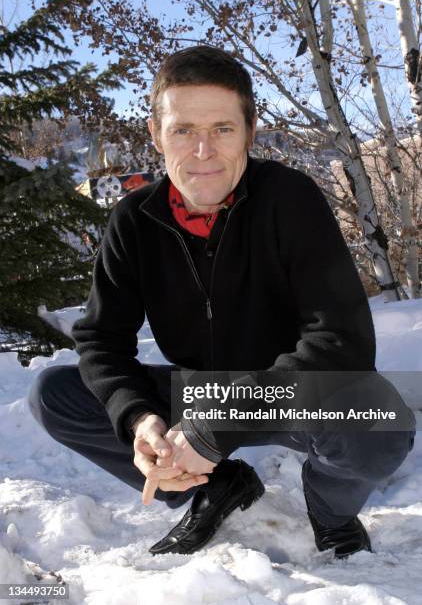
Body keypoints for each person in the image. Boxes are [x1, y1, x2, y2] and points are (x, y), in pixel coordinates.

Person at [28, 45, 415, 559]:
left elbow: (341, 339)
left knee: (379, 419)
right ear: (156, 134)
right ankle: (216, 484)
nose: (203, 151)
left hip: (290, 393)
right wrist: (142, 418)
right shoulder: (134, 220)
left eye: (222, 130)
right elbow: (101, 339)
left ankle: (330, 509)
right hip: (197, 397)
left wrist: (220, 421)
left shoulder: (289, 199)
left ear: (250, 131)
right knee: (55, 393)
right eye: (184, 130)